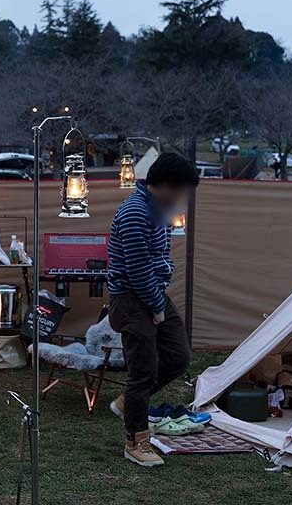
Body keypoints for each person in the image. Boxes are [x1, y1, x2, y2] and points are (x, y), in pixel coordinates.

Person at [106, 152, 199, 467]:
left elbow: (160, 255)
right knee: (143, 370)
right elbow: (138, 268)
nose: (184, 196)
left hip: (153, 292)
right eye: (183, 189)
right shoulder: (135, 212)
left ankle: (129, 401)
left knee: (179, 356)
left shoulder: (161, 209)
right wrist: (157, 307)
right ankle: (135, 441)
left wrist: (163, 283)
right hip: (132, 297)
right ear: (168, 185)